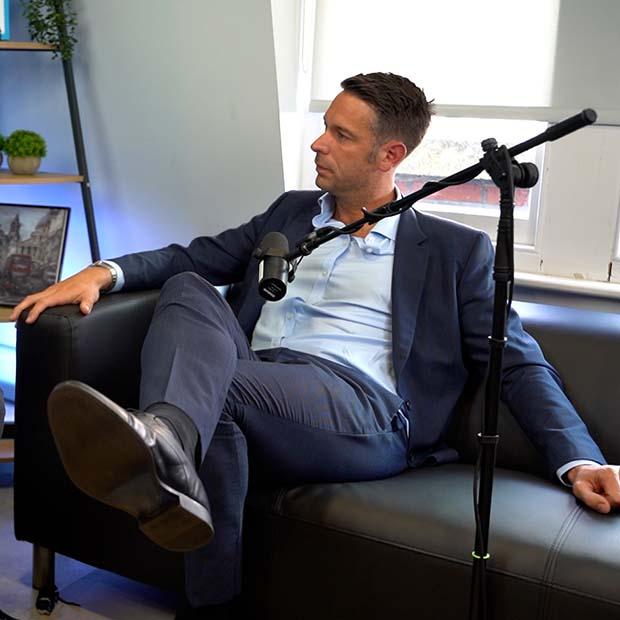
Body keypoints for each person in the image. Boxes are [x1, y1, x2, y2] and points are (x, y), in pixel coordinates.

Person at [11, 73, 620, 619]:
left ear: (391, 154)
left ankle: (163, 445)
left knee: (216, 391)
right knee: (190, 291)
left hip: (362, 407)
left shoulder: (454, 251)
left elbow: (516, 361)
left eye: (340, 135)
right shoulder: (292, 212)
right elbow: (195, 256)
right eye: (324, 126)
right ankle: (174, 456)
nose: (317, 144)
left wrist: (580, 461)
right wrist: (103, 272)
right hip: (257, 378)